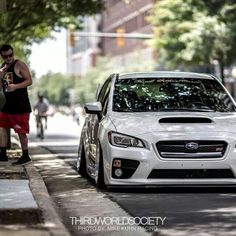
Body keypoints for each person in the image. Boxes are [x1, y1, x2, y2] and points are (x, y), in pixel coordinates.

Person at [0, 44, 32, 165]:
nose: (8, 58)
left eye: (10, 55)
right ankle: (3, 154)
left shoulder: (19, 64)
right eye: (5, 56)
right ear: (1, 56)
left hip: (20, 105)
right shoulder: (3, 67)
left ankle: (25, 155)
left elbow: (29, 81)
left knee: (21, 130)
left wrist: (16, 86)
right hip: (7, 105)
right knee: (1, 126)